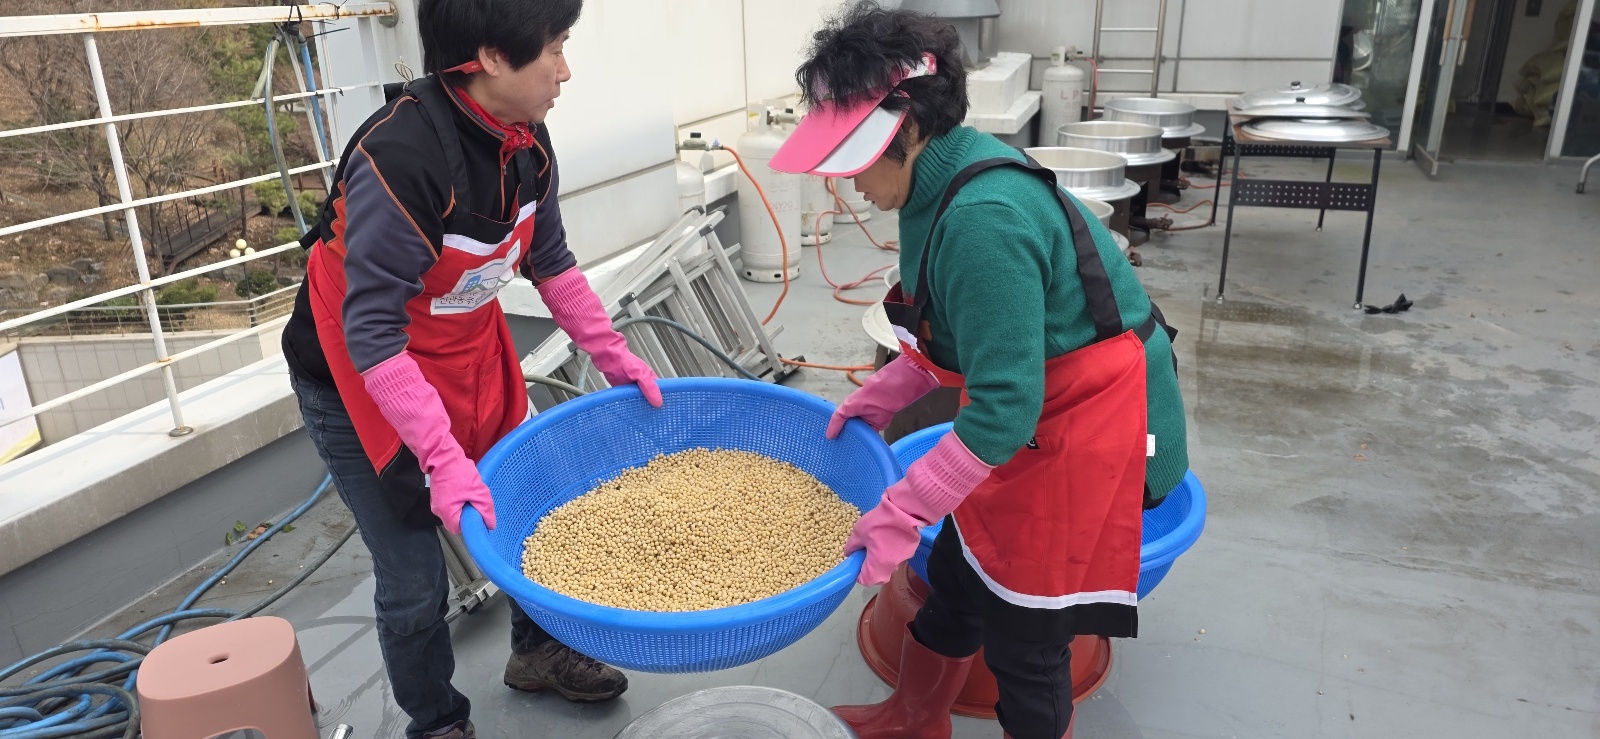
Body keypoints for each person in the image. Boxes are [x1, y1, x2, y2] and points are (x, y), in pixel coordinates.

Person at [769, 4, 1189, 739]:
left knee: (1027, 637)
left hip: (1098, 424)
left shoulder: (983, 216)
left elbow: (1002, 409)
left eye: (852, 157)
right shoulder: (931, 183)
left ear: (906, 129)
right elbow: (958, 323)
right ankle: (915, 715)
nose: (845, 182)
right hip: (1038, 406)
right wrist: (893, 386)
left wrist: (904, 508)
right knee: (957, 576)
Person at [281, 1, 661, 736]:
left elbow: (551, 262)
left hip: (467, 351)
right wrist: (441, 457)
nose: (565, 70)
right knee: (413, 578)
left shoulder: (526, 139)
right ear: (489, 56)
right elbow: (372, 334)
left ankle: (539, 651)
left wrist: (614, 355)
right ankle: (435, 719)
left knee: (534, 508)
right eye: (554, 49)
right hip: (360, 377)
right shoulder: (402, 159)